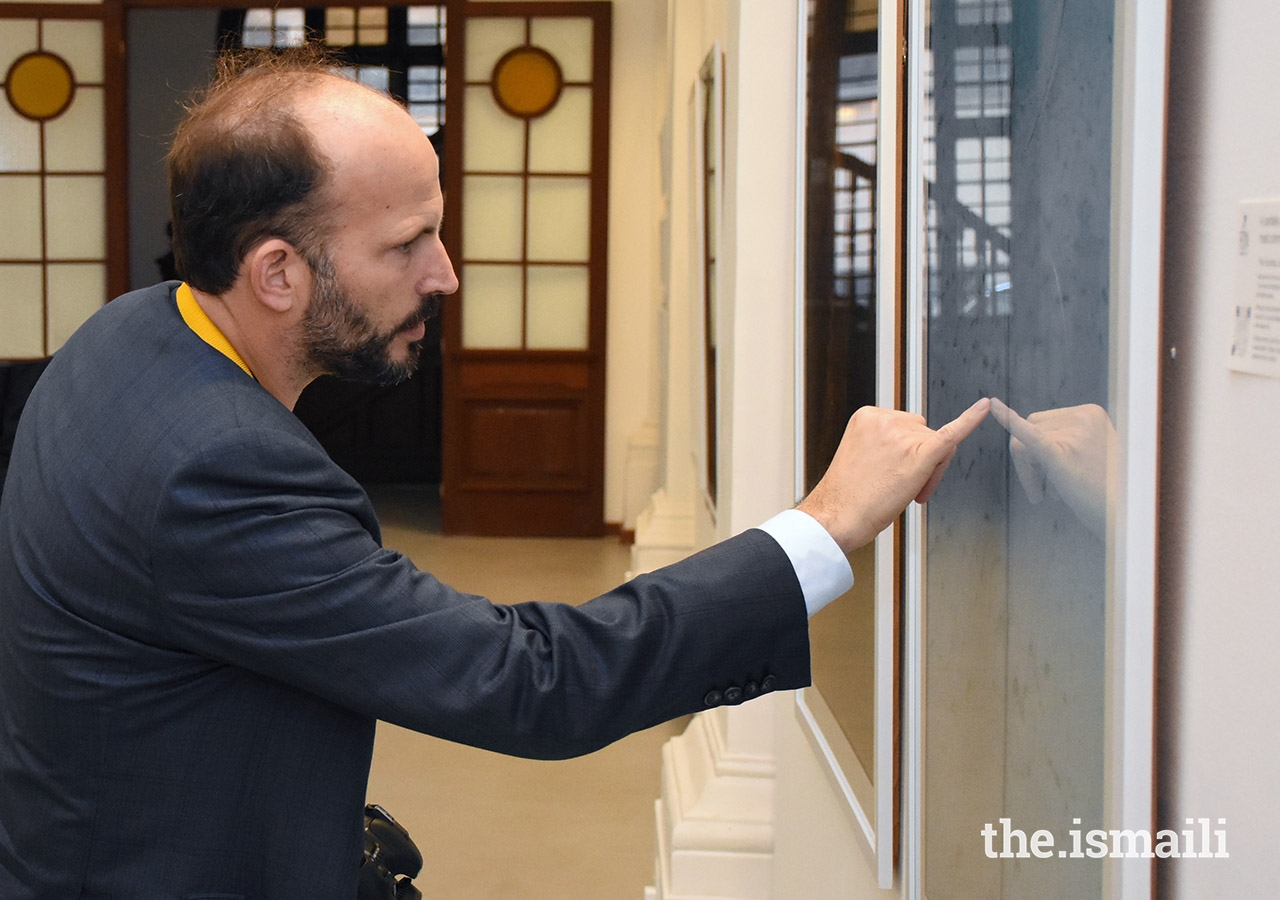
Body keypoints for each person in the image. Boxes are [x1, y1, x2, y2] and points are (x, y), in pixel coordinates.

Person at [0, 50, 988, 899]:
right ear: (276, 274)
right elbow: (532, 683)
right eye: (404, 245)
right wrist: (822, 525)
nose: (445, 274)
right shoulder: (216, 469)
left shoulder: (126, 332)